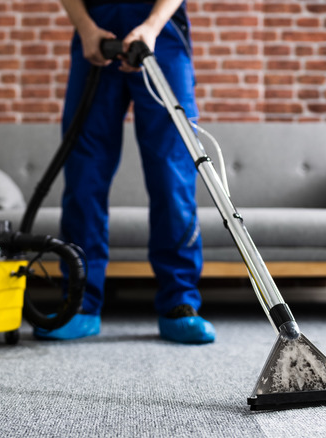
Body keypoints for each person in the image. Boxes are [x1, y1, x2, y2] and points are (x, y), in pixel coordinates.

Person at [34, 0, 215, 344]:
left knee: (171, 175)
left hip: (160, 36)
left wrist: (152, 26)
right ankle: (80, 304)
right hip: (96, 33)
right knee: (83, 176)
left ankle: (179, 302)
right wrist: (85, 28)